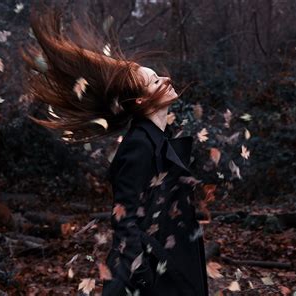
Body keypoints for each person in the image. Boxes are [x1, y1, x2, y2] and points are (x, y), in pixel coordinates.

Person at [19, 3, 209, 296]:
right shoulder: (138, 146)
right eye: (155, 81)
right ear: (142, 102)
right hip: (154, 276)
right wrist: (142, 278)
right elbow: (126, 220)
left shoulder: (162, 137)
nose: (167, 79)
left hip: (175, 265)